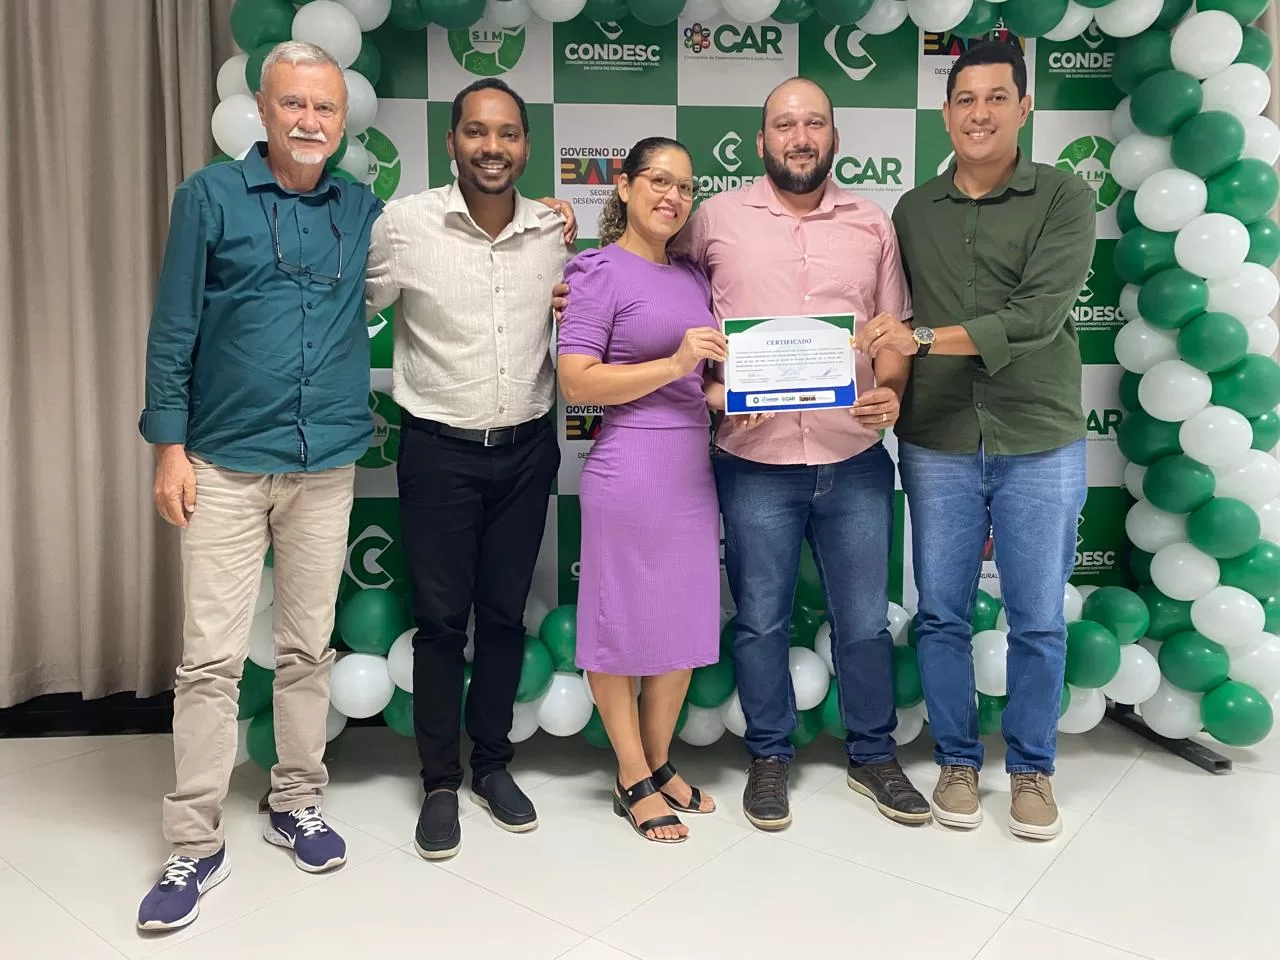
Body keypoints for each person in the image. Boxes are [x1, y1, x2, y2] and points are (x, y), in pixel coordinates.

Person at [556, 77, 930, 831]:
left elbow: (892, 328)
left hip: (851, 453)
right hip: (749, 461)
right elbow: (637, 277)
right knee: (758, 620)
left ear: (833, 136)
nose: (800, 136)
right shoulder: (713, 220)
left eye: (814, 123)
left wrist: (891, 388)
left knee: (864, 620)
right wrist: (563, 260)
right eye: (784, 124)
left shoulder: (872, 223)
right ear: (762, 141)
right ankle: (768, 757)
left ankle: (873, 755)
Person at [135, 41, 383, 931]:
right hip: (224, 462)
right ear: (264, 108)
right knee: (208, 660)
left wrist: (549, 224)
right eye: (294, 105)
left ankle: (296, 800)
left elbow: (443, 250)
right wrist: (169, 450)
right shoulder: (208, 197)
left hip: (325, 465)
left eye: (325, 107)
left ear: (342, 120)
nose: (310, 121)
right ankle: (193, 843)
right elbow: (173, 329)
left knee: (307, 648)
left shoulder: (361, 207)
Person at [863, 41, 1095, 840]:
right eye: (966, 99)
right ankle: (958, 761)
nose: (980, 113)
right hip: (938, 438)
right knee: (941, 614)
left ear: (1024, 107)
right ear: (946, 113)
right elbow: (887, 315)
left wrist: (922, 339)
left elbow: (1036, 318)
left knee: (1038, 618)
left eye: (998, 97)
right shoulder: (912, 210)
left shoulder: (1064, 196)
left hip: (1039, 436)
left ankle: (1032, 770)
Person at [364, 78, 574, 861]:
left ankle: (491, 764)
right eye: (478, 132)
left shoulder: (553, 230)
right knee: (442, 624)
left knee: (505, 617)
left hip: (526, 449)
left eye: (509, 133)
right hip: (438, 452)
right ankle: (440, 782)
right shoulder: (404, 224)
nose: (494, 147)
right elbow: (353, 309)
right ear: (451, 141)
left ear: (526, 145)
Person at [557, 137, 725, 844]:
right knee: (619, 625)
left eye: (685, 186)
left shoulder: (692, 277)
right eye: (658, 180)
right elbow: (577, 381)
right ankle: (630, 776)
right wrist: (676, 362)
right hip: (628, 467)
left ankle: (658, 764)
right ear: (623, 186)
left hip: (690, 469)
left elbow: (700, 384)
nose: (672, 196)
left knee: (683, 626)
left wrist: (734, 397)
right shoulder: (597, 271)